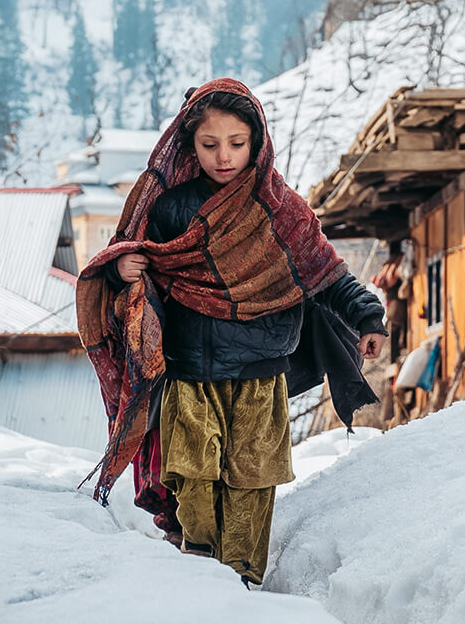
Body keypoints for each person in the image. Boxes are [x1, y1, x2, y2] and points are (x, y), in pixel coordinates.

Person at [75, 78, 386, 589]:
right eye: (209, 144)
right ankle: (201, 577)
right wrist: (119, 270)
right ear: (189, 143)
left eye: (237, 144)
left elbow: (326, 274)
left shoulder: (282, 210)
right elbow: (131, 262)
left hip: (261, 378)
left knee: (253, 479)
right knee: (194, 477)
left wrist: (367, 318)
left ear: (257, 142)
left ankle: (244, 582)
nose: (224, 157)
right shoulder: (171, 208)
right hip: (189, 373)